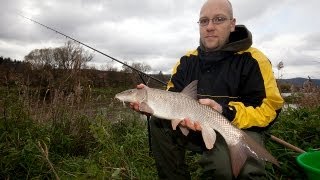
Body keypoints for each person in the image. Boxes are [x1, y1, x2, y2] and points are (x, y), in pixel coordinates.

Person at [130, 0, 284, 179]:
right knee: (157, 123)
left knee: (230, 170)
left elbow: (270, 108)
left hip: (234, 128)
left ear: (232, 24)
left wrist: (226, 112)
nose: (209, 27)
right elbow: (172, 95)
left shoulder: (254, 60)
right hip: (191, 125)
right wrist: (151, 100)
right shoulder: (186, 61)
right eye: (204, 21)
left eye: (218, 19)